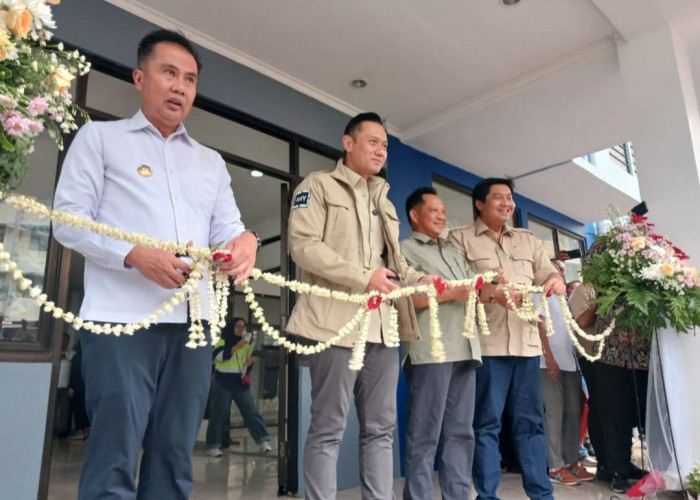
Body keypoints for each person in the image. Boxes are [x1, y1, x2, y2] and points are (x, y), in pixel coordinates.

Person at [52, 29, 258, 499]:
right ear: (139, 77)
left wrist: (244, 241)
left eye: (189, 78)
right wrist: (132, 255)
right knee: (114, 453)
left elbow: (229, 228)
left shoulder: (210, 162)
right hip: (121, 322)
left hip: (194, 325)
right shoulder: (100, 139)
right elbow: (66, 221)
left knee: (173, 456)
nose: (180, 86)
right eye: (169, 73)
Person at [286, 112, 437, 500]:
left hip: (383, 328)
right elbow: (302, 246)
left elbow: (397, 265)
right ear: (348, 142)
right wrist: (363, 275)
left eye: (385, 145)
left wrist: (423, 280)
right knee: (327, 428)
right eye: (373, 141)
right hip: (334, 325)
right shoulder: (319, 186)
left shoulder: (383, 200)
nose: (381, 150)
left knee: (381, 429)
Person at [449, 177, 565, 500]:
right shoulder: (460, 239)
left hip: (526, 346)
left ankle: (541, 494)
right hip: (488, 346)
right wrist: (490, 293)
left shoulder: (528, 241)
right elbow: (457, 287)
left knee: (531, 422)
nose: (506, 203)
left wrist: (555, 280)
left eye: (509, 197)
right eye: (498, 197)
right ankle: (487, 496)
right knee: (486, 424)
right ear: (479, 203)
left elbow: (547, 272)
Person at [400, 187, 506, 500]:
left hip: (465, 349)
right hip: (431, 351)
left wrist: (492, 283)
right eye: (434, 210)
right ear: (414, 215)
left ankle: (457, 495)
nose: (442, 216)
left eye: (444, 211)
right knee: (424, 434)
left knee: (461, 433)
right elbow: (406, 298)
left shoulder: (452, 250)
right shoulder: (404, 249)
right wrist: (449, 294)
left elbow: (474, 292)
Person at [568, 250, 649, 494]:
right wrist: (604, 295)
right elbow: (583, 322)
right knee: (614, 417)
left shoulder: (640, 284)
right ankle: (616, 471)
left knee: (641, 414)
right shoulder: (590, 289)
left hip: (640, 360)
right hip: (607, 360)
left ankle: (638, 466)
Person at [537, 260, 594, 486]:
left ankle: (571, 461)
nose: (559, 272)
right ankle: (555, 466)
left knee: (573, 412)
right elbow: (539, 325)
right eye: (555, 268)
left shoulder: (565, 298)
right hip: (548, 364)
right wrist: (548, 356)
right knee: (554, 414)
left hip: (571, 363)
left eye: (561, 269)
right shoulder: (539, 295)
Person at [206, 317, 271, 457]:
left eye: (243, 326)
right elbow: (217, 357)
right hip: (222, 381)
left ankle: (263, 441)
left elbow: (244, 364)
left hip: (239, 383)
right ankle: (214, 445)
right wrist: (237, 346)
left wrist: (249, 364)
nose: (241, 329)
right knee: (219, 413)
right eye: (238, 326)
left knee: (251, 412)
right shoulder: (222, 341)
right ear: (231, 327)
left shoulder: (247, 345)